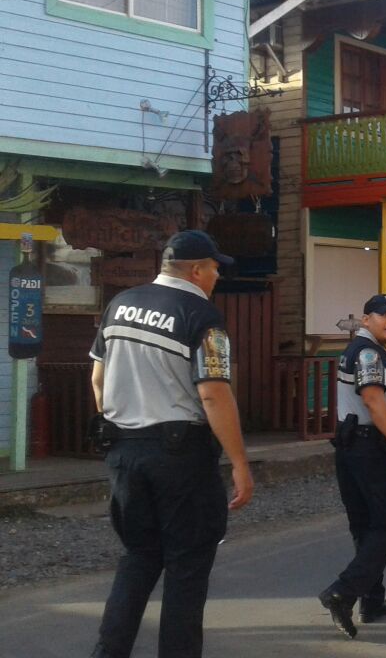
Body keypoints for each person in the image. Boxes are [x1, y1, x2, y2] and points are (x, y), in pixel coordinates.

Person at [88, 230, 254, 658]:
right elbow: (213, 393)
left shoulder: (120, 304)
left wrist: (123, 426)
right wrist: (239, 462)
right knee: (186, 568)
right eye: (214, 268)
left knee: (138, 556)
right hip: (180, 456)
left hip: (124, 452)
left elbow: (98, 380)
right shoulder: (202, 316)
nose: (217, 275)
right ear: (196, 270)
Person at [318, 294, 386, 639]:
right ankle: (343, 592)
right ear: (366, 320)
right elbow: (374, 401)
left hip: (352, 446)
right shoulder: (368, 353)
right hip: (372, 448)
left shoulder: (361, 350)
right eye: (383, 315)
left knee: (365, 526)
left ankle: (372, 599)